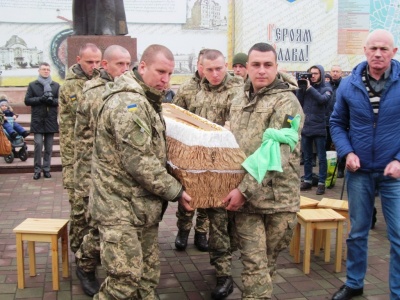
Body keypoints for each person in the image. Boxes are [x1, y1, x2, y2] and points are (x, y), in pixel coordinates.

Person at [89, 44, 193, 299]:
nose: (165, 80)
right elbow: (140, 162)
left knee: (147, 279)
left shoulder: (146, 100)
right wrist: (177, 191)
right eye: (160, 72)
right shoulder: (129, 103)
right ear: (142, 66)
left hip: (140, 207)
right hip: (119, 209)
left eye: (170, 74)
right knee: (123, 282)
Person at [223, 42, 304, 299]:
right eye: (255, 64)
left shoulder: (287, 103)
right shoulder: (238, 98)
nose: (261, 70)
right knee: (254, 266)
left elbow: (275, 153)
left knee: (267, 264)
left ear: (276, 67)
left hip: (278, 202)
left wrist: (243, 191)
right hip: (247, 202)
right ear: (246, 67)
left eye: (267, 65)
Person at [330, 29, 400, 300]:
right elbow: (337, 123)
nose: (378, 53)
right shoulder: (349, 84)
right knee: (357, 232)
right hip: (358, 172)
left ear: (394, 52)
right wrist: (347, 153)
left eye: (384, 49)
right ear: (365, 50)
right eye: (373, 48)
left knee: (397, 237)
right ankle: (354, 282)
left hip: (392, 174)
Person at [73, 45, 131, 297]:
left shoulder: (123, 88)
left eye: (129, 64)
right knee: (97, 224)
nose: (125, 70)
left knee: (108, 224)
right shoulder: (97, 91)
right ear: (104, 66)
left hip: (114, 170)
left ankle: (101, 266)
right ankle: (85, 265)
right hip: (94, 169)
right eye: (120, 64)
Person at [189, 49, 244, 299]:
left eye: (219, 68)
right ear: (201, 68)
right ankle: (222, 270)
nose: (214, 74)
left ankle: (226, 268)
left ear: (226, 66)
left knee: (228, 223)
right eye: (209, 69)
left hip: (232, 167)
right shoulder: (196, 90)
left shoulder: (240, 89)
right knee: (215, 220)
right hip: (205, 168)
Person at [59, 43, 102, 254]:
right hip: (74, 158)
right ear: (78, 60)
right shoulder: (70, 86)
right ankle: (77, 251)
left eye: (97, 62)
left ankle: (90, 252)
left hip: (96, 157)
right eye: (89, 62)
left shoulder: (101, 82)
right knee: (79, 209)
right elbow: (85, 113)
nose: (93, 66)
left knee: (96, 208)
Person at [172, 49, 210, 252]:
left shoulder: (217, 87)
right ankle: (183, 230)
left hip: (212, 152)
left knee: (207, 195)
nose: (208, 70)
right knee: (187, 193)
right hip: (190, 150)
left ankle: (202, 232)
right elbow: (176, 116)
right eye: (204, 65)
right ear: (198, 65)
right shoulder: (187, 88)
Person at [297, 64, 332, 195]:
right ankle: (307, 179)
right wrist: (301, 88)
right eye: (311, 74)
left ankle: (321, 182)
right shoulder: (306, 88)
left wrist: (310, 88)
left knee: (321, 158)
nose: (313, 76)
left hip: (319, 127)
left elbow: (322, 100)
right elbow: (299, 102)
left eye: (316, 73)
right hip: (306, 126)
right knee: (307, 157)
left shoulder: (326, 88)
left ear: (321, 74)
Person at [24, 62, 60, 180]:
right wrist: (41, 99)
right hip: (38, 120)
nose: (46, 71)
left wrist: (52, 101)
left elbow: (60, 101)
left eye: (48, 69)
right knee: (38, 145)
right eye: (43, 69)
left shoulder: (55, 85)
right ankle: (37, 170)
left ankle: (47, 169)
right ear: (39, 71)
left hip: (50, 119)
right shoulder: (33, 85)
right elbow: (27, 100)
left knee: (49, 147)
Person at [330, 65, 346, 178]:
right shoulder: (326, 86)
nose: (335, 73)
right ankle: (329, 171)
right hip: (327, 121)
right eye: (333, 71)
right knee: (327, 149)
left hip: (340, 121)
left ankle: (340, 168)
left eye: (337, 71)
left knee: (340, 147)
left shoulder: (345, 86)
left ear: (341, 73)